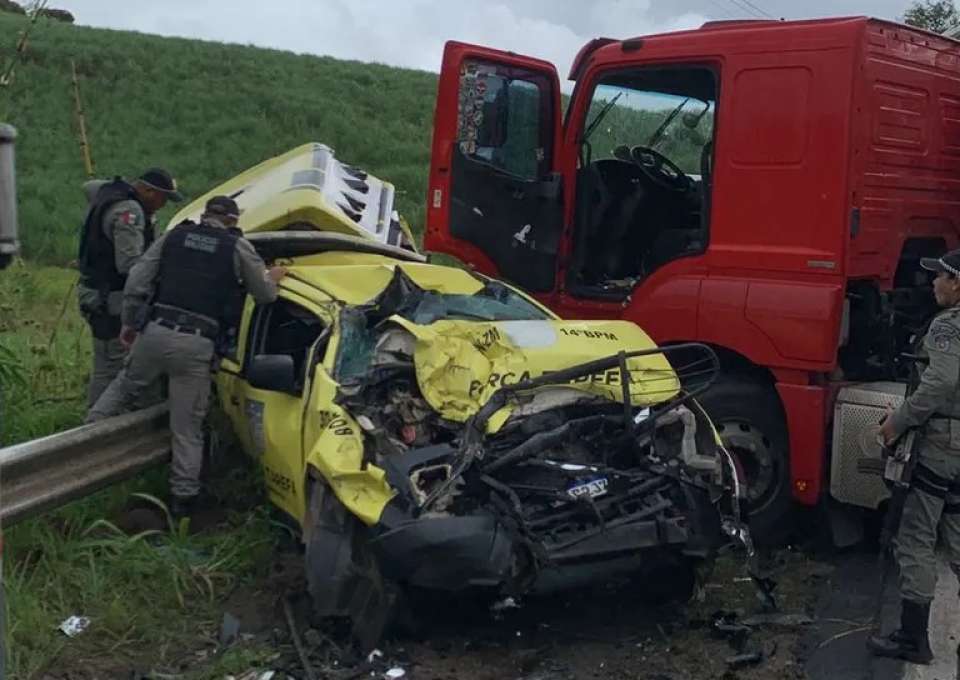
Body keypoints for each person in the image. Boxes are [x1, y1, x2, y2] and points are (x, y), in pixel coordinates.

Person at [87, 195, 286, 518]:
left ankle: (83, 440)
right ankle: (183, 500)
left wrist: (130, 322)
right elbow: (264, 295)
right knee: (186, 427)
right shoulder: (237, 247)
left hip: (154, 332)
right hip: (196, 345)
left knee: (124, 387)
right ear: (233, 221)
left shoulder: (174, 236)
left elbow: (137, 279)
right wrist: (271, 277)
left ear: (205, 215)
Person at [869, 248, 960, 664]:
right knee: (956, 534)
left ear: (956, 282)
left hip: (942, 443)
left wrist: (899, 421)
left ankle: (911, 639)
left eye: (940, 276)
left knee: (916, 535)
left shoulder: (948, 325)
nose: (932, 282)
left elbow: (940, 382)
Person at [78, 168, 183, 409]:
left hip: (96, 296)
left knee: (107, 363)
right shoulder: (129, 211)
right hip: (111, 301)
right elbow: (130, 265)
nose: (163, 205)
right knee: (114, 368)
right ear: (148, 191)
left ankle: (100, 420)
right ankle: (101, 424)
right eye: (163, 198)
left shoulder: (107, 196)